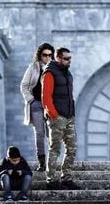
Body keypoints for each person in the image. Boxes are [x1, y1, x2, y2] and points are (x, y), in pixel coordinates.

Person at [42, 47, 77, 190]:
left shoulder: (68, 74)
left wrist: (72, 114)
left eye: (70, 58)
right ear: (58, 58)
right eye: (66, 58)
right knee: (55, 149)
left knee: (72, 148)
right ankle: (51, 180)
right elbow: (46, 97)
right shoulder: (50, 73)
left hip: (69, 116)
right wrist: (53, 115)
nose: (69, 61)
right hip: (57, 117)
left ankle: (66, 178)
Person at [20, 42, 54, 172]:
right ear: (40, 56)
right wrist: (31, 100)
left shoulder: (55, 69)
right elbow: (24, 86)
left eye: (50, 55)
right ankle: (42, 162)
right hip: (37, 105)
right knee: (39, 133)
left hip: (51, 106)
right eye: (45, 55)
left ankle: (52, 161)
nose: (47, 58)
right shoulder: (33, 68)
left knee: (52, 133)